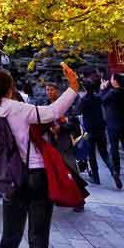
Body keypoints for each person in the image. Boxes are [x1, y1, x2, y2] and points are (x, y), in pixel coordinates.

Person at [0, 62, 80, 248]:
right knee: (38, 243)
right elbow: (51, 112)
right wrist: (72, 88)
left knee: (8, 240)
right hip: (36, 176)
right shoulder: (19, 109)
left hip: (12, 180)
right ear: (10, 87)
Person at [45, 79, 87, 211]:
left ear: (57, 91)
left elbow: (73, 122)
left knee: (71, 169)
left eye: (51, 89)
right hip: (51, 142)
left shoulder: (66, 105)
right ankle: (59, 197)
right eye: (47, 90)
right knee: (54, 171)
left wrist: (61, 127)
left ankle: (80, 200)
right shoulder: (46, 106)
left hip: (65, 142)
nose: (49, 92)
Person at [80, 79, 121, 189]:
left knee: (91, 155)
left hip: (89, 130)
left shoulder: (83, 100)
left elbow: (77, 111)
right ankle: (113, 171)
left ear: (84, 88)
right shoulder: (98, 98)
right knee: (104, 153)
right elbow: (102, 97)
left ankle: (96, 177)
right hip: (101, 129)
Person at [101, 72, 124, 179]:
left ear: (115, 81)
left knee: (114, 147)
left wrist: (102, 89)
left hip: (113, 124)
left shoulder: (112, 92)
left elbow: (102, 100)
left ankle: (116, 169)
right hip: (123, 123)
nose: (110, 80)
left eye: (111, 79)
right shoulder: (123, 91)